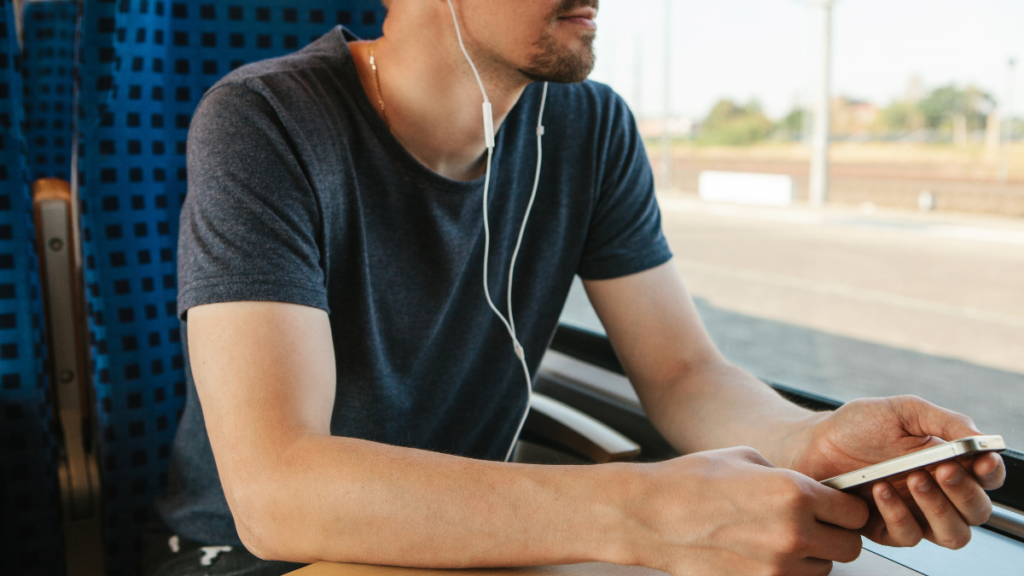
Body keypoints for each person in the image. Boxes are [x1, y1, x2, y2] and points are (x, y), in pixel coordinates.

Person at [147, 1, 1006, 575]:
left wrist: (808, 437)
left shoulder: (591, 129)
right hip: (260, 559)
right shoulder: (265, 120)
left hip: (464, 548)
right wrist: (642, 512)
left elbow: (682, 376)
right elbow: (278, 489)